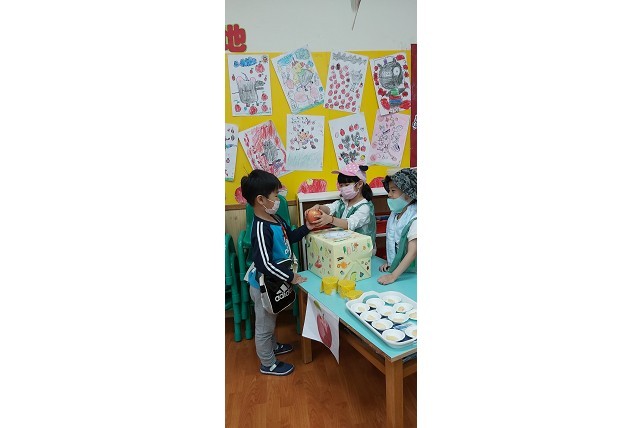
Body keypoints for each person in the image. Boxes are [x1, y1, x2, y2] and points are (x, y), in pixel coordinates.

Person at [240, 169, 315, 376]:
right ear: (261, 200)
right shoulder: (260, 228)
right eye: (275, 195)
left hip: (275, 282)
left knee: (271, 318)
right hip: (263, 285)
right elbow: (264, 264)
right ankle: (267, 363)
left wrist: (307, 227)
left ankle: (273, 347)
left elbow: (290, 237)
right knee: (264, 326)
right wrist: (291, 277)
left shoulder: (276, 219)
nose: (278, 199)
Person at [306, 163, 377, 254]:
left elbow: (349, 224)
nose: (343, 188)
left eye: (346, 185)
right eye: (341, 185)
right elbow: (330, 208)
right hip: (344, 247)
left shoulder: (365, 208)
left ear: (359, 184)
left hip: (361, 251)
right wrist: (319, 207)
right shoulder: (343, 202)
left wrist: (330, 219)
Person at [378, 168, 417, 285]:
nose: (389, 194)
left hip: (413, 274)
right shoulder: (396, 213)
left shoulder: (415, 218)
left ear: (408, 193)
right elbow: (394, 242)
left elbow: (413, 252)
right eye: (389, 190)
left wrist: (393, 276)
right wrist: (392, 263)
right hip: (401, 270)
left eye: (393, 191)